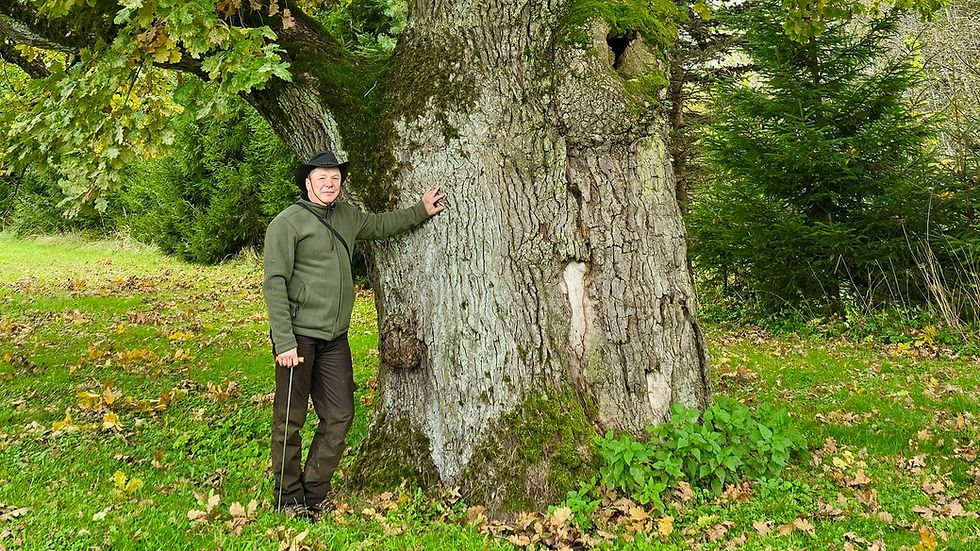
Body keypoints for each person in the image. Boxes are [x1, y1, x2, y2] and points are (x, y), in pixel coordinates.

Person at [263, 150, 444, 520]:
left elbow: (381, 225)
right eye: (322, 177)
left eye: (335, 178)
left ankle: (314, 493)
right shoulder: (287, 223)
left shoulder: (346, 216)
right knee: (290, 420)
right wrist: (284, 341)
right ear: (307, 182)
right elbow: (274, 283)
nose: (330, 184)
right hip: (298, 338)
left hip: (335, 339)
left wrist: (420, 211)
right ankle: (287, 499)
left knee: (340, 414)